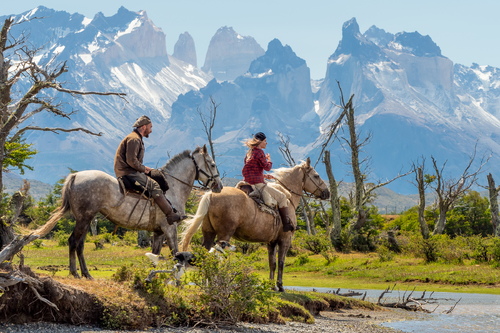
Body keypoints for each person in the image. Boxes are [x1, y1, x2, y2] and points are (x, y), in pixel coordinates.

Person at [114, 115, 185, 225]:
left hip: (128, 170)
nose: (151, 131)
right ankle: (170, 214)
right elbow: (131, 161)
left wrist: (144, 169)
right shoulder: (134, 139)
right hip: (127, 172)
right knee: (154, 186)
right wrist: (144, 169)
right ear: (143, 127)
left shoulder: (136, 138)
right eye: (150, 127)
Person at [242, 132, 294, 232]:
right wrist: (269, 160)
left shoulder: (249, 153)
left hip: (248, 181)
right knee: (282, 197)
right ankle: (286, 225)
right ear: (260, 142)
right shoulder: (260, 152)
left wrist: (264, 176)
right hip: (258, 184)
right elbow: (267, 167)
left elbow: (252, 169)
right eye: (265, 141)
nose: (266, 143)